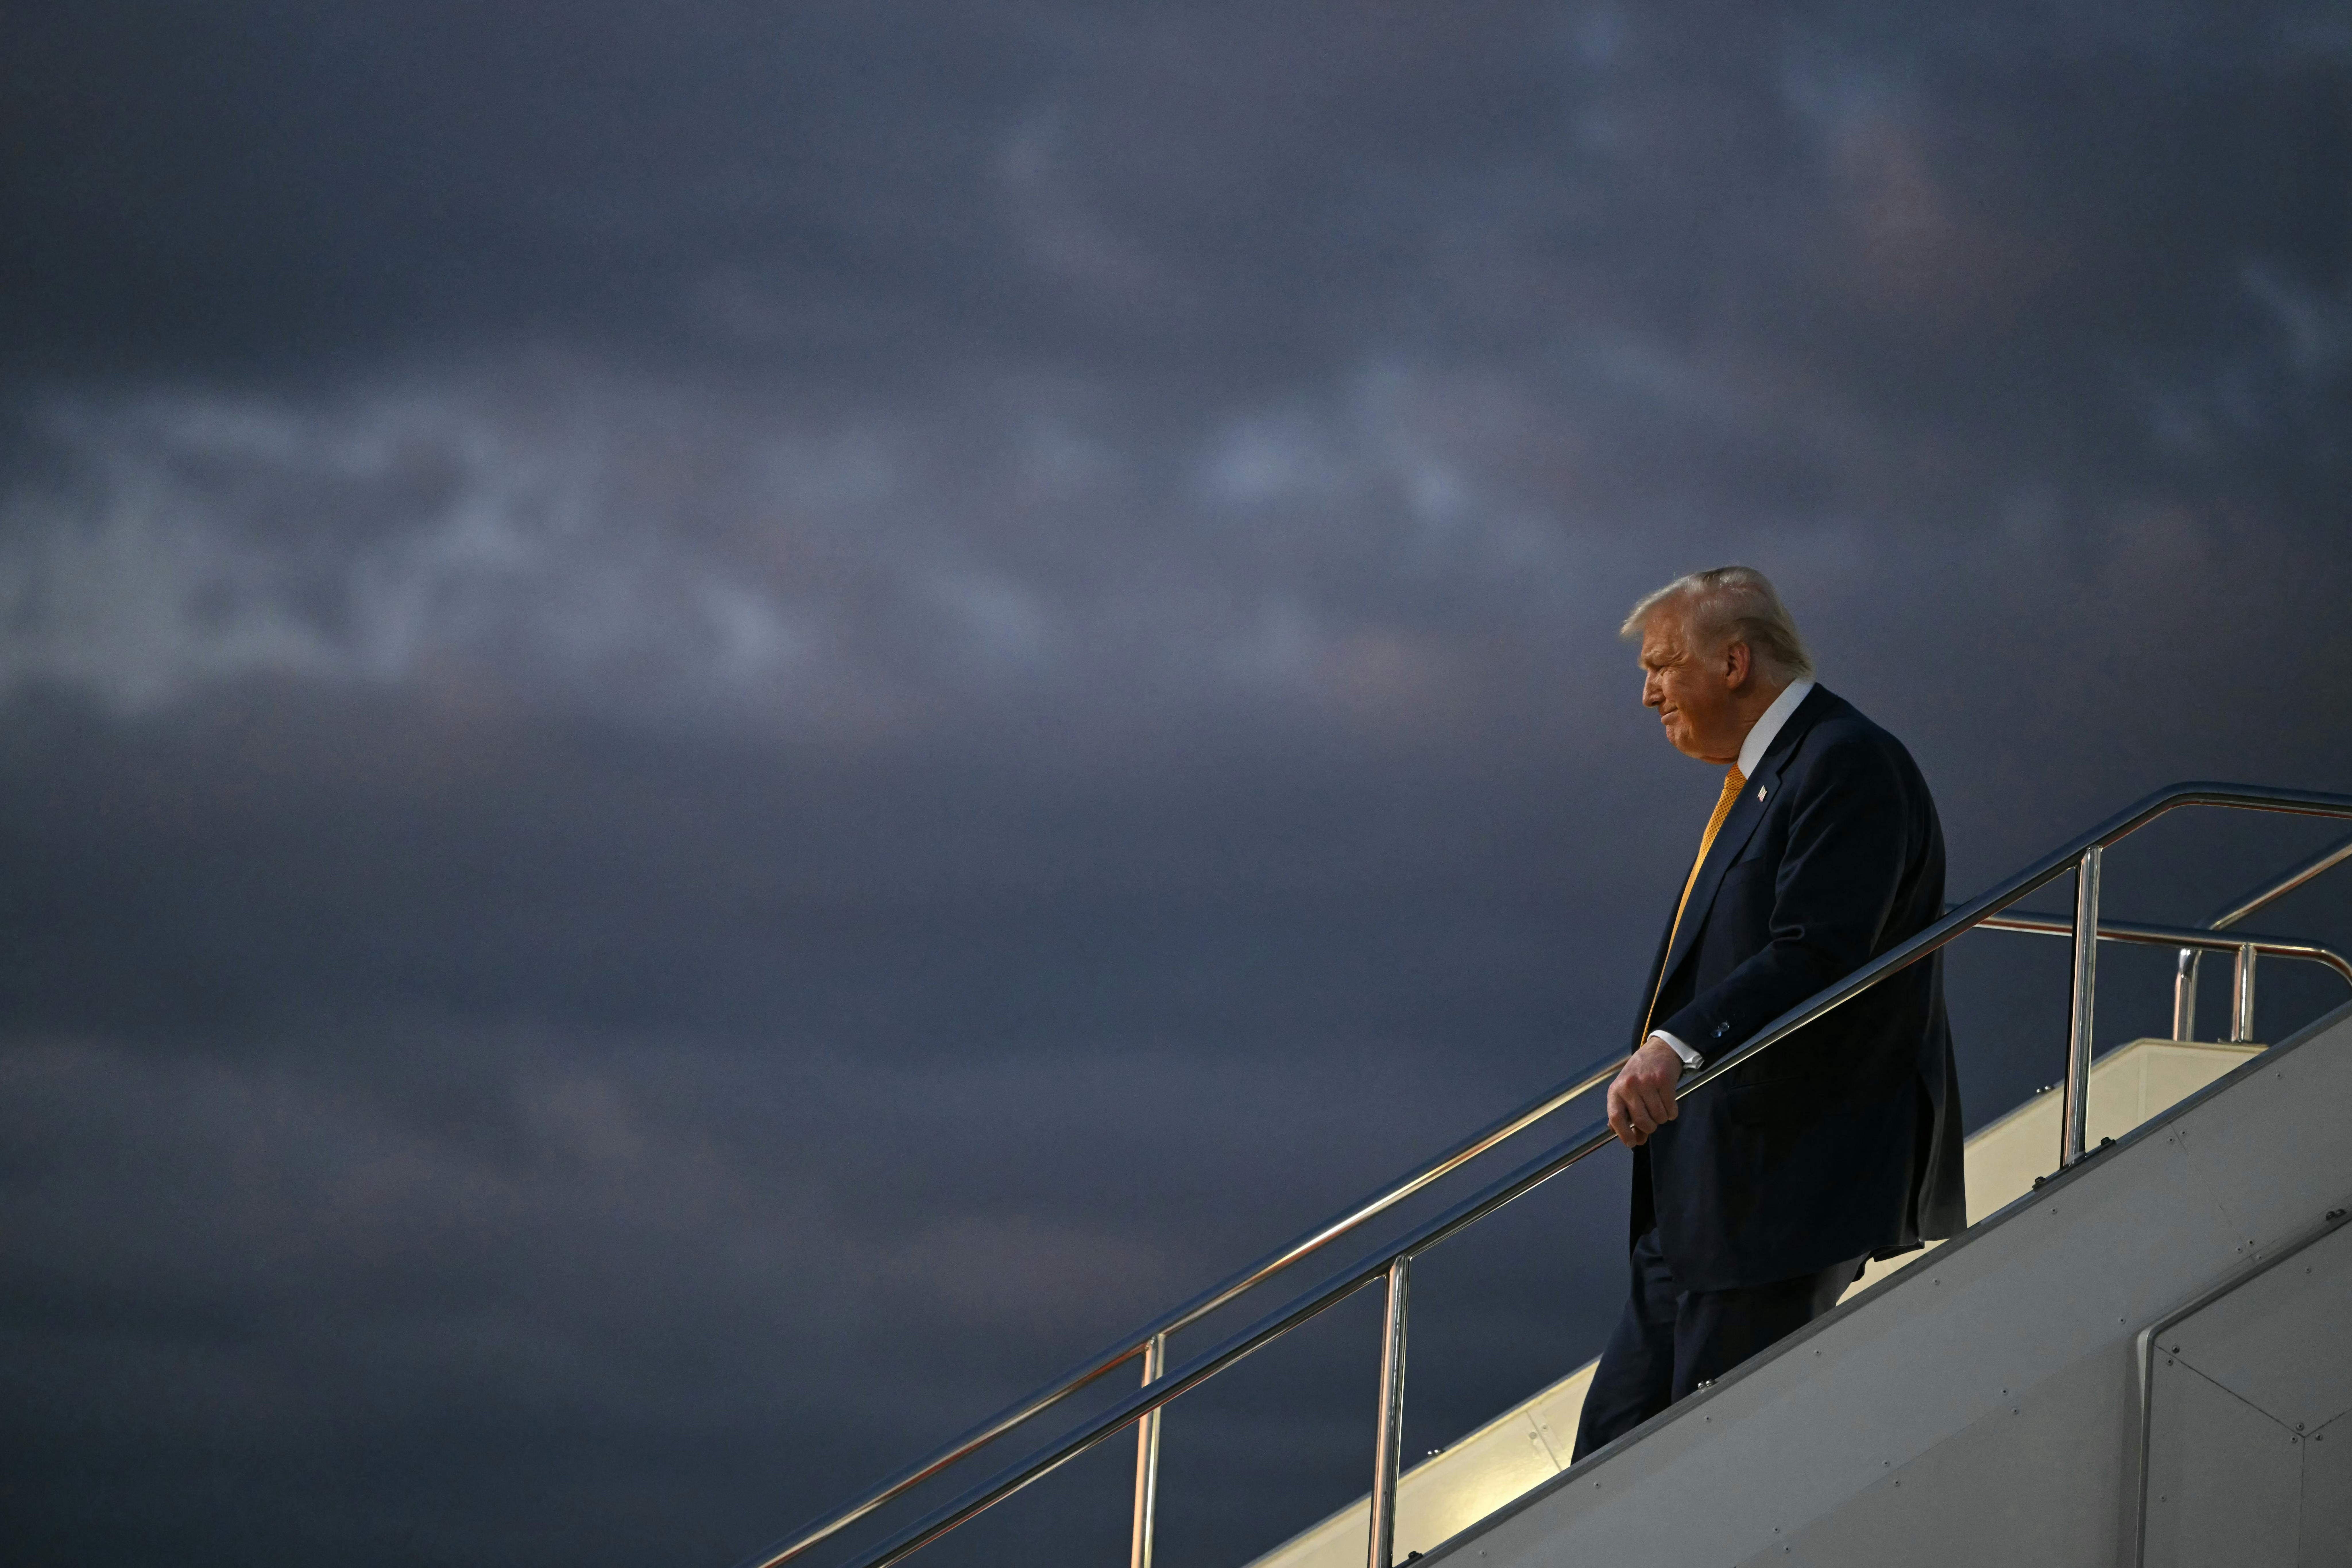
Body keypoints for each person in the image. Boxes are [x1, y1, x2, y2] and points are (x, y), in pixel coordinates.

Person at [1570, 566, 1966, 1461]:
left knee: (1705, 1485)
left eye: (1662, 665)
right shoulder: (1771, 779)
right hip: (1704, 1205)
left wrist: (1671, 1048)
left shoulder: (1844, 762)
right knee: (1602, 1479)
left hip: (1778, 1198)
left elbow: (1818, 951)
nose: (1646, 694)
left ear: (1735, 662)